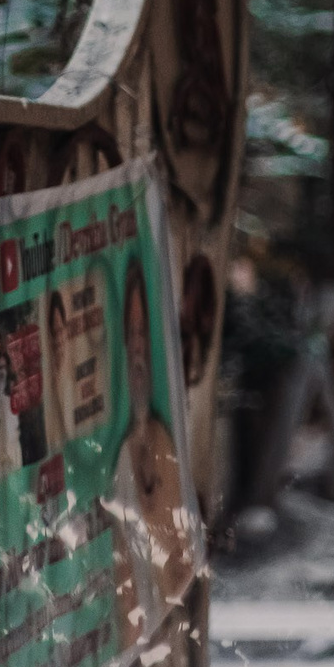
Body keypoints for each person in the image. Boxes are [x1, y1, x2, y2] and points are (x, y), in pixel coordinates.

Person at [104, 269, 196, 636]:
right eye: (133, 335)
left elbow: (182, 561)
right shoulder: (118, 455)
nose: (139, 347)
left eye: (144, 334)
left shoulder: (162, 442)